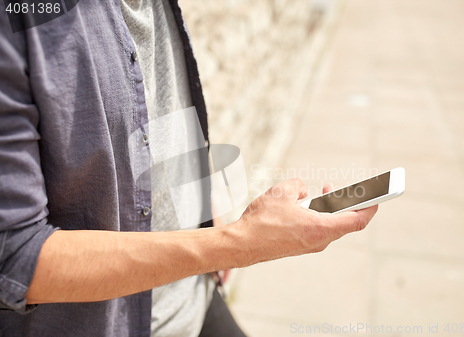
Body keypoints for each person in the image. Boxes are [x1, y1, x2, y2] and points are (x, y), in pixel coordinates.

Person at [0, 0, 378, 336]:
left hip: (192, 295)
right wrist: (236, 244)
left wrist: (200, 205)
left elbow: (152, 98)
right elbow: (15, 258)